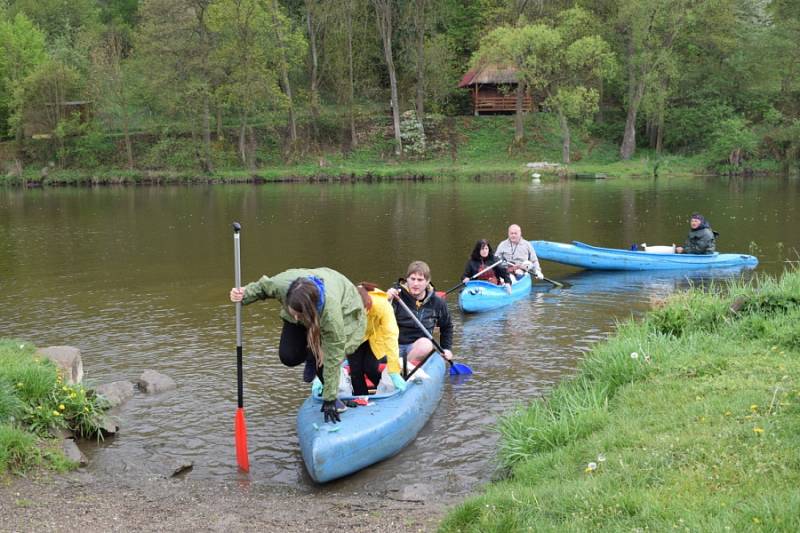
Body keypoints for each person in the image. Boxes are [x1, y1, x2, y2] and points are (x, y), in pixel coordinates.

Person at [229, 268, 366, 423]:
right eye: (292, 312)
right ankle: (311, 354)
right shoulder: (281, 284)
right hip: (303, 303)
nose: (295, 317)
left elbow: (334, 358)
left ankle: (330, 390)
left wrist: (329, 399)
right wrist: (243, 294)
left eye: (299, 316)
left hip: (343, 305)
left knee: (326, 362)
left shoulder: (332, 317)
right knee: (289, 356)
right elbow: (262, 287)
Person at [387, 261, 454, 373]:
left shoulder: (437, 303)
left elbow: (447, 327)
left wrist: (447, 349)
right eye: (412, 279)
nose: (415, 284)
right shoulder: (396, 296)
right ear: (407, 280)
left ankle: (401, 370)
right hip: (394, 347)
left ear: (427, 282)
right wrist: (387, 300)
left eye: (420, 280)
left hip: (417, 349)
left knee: (426, 344)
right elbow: (378, 319)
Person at [346, 283, 406, 396]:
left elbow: (391, 337)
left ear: (367, 305)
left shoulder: (382, 305)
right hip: (353, 337)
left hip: (374, 335)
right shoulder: (342, 309)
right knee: (356, 371)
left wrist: (394, 371)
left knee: (370, 368)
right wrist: (323, 376)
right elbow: (332, 340)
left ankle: (384, 390)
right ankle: (360, 398)